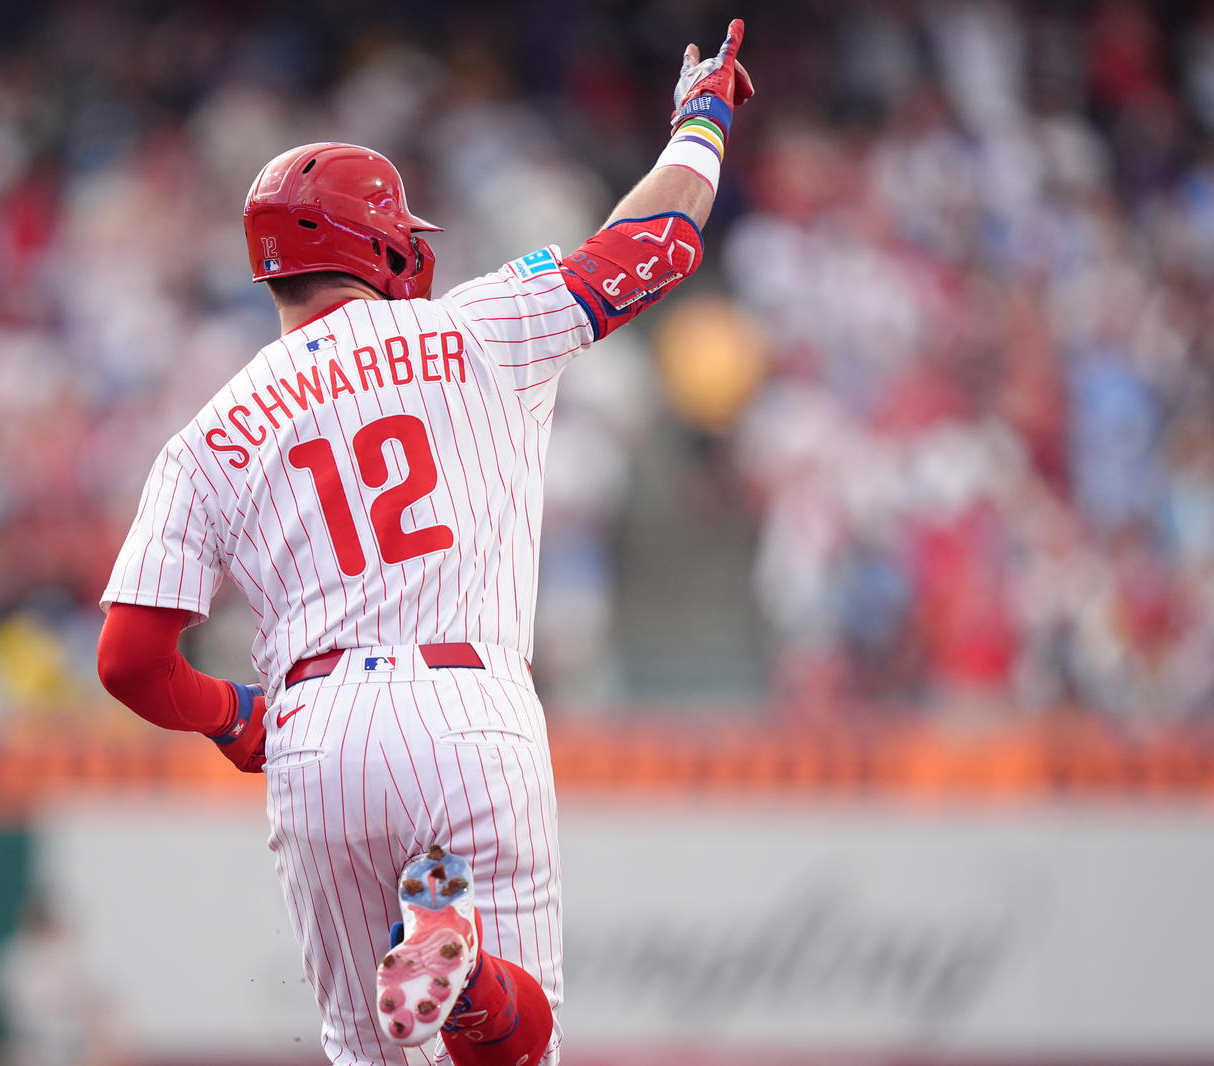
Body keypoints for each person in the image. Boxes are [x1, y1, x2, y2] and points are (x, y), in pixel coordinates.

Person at [97, 21, 754, 1066]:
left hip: (312, 731)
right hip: (465, 703)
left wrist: (236, 718)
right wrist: (700, 124)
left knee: (365, 1057)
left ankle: (451, 972)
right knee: (517, 1042)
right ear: (382, 244)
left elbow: (128, 659)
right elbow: (659, 245)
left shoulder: (207, 433)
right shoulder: (476, 324)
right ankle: (468, 974)